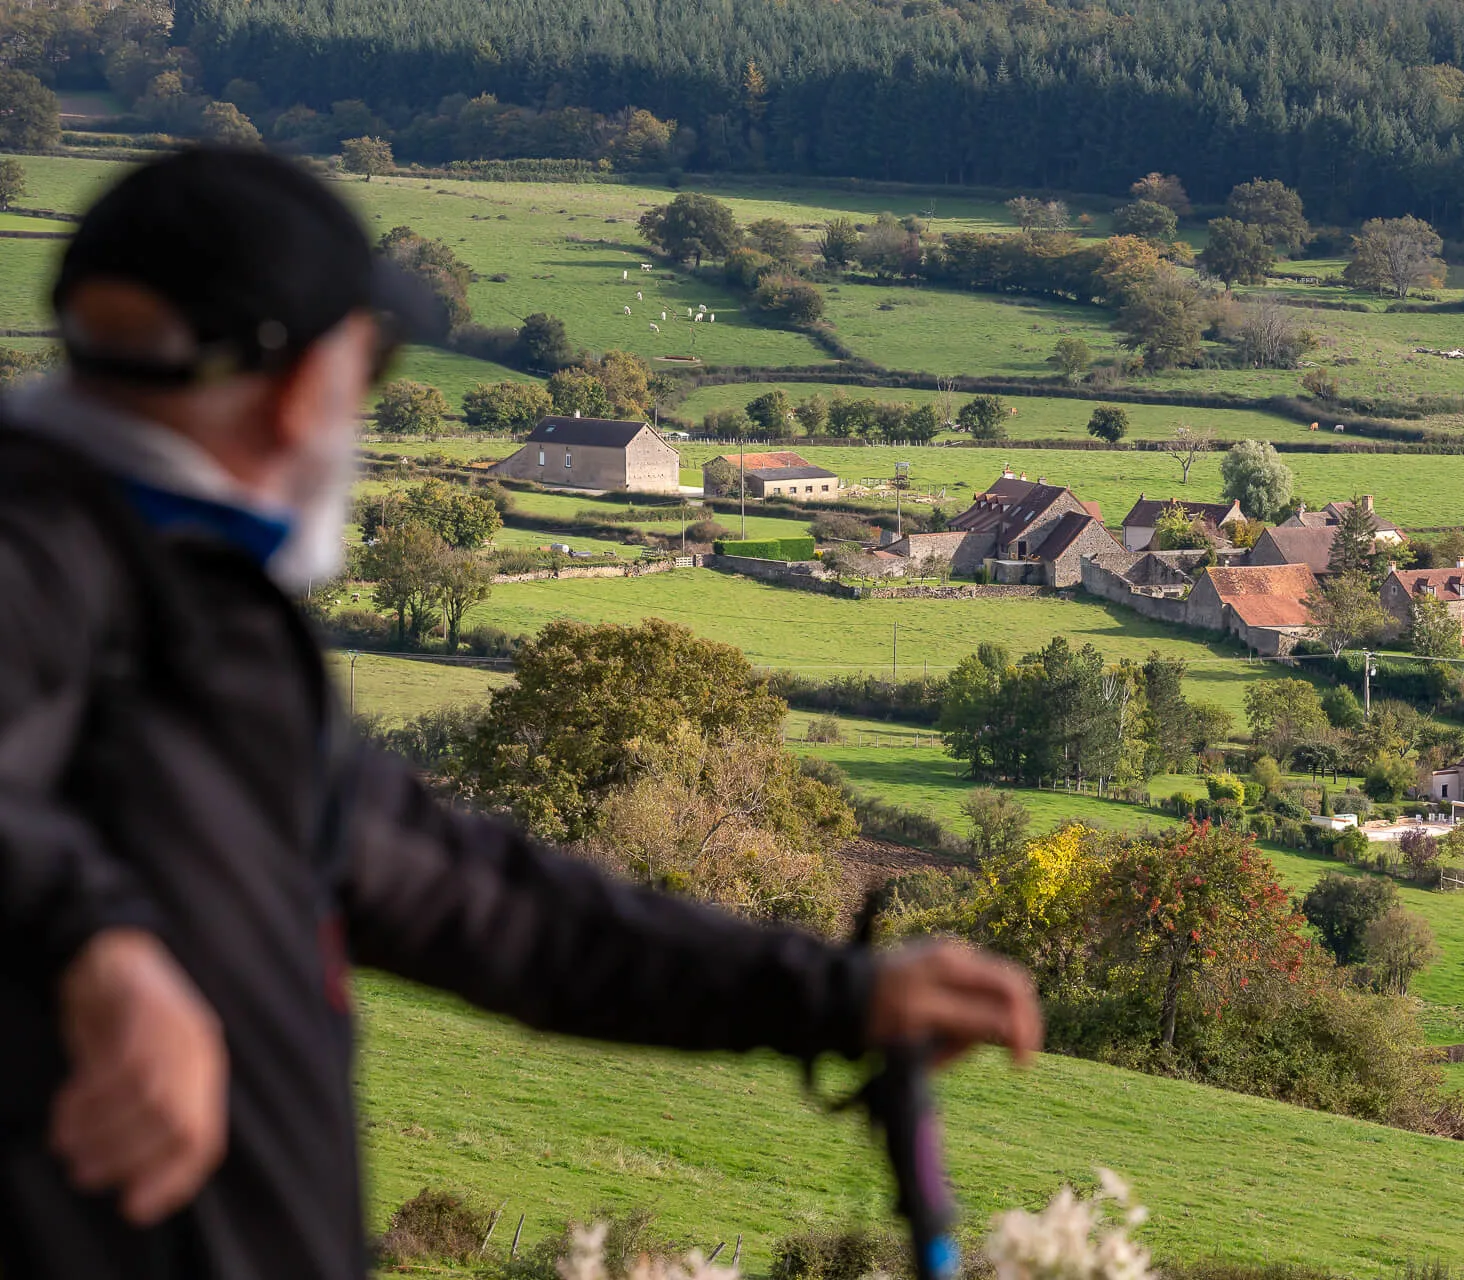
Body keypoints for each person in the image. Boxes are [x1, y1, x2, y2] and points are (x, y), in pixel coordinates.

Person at [0, 148, 1041, 1279]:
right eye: (376, 361)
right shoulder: (41, 545)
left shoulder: (204, 607)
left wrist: (835, 990)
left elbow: (493, 903)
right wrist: (103, 950)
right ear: (310, 379)